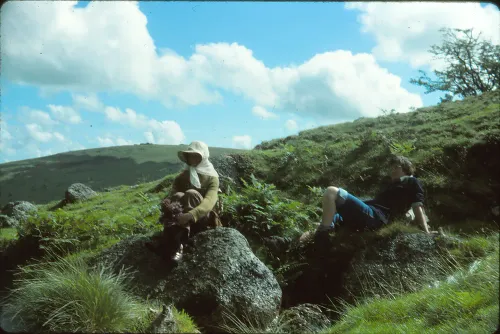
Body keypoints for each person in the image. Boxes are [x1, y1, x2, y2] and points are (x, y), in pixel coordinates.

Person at [315, 155, 431, 237]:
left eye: (396, 166)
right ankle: (319, 232)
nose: (392, 169)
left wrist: (426, 231)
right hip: (370, 214)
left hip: (378, 218)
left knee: (332, 192)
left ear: (404, 168)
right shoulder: (389, 186)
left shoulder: (411, 181)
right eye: (391, 167)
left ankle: (323, 236)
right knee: (326, 220)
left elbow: (417, 206)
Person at [146, 141, 222, 264]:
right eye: (190, 155)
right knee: (178, 195)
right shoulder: (182, 176)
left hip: (201, 217)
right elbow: (172, 195)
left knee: (191, 193)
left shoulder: (212, 178)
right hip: (180, 217)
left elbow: (210, 201)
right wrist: (167, 203)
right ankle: (171, 242)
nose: (193, 158)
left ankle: (177, 247)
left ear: (204, 157)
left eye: (196, 155)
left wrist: (191, 214)